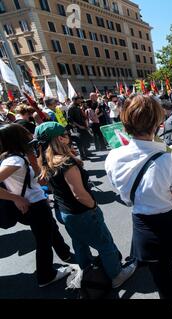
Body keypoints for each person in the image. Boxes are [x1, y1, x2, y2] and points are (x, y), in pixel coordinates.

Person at [105, 95, 172, 299]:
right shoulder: (166, 159)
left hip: (144, 225)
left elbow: (124, 193)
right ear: (158, 124)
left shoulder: (113, 157)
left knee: (163, 282)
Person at [35, 122, 136, 289]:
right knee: (105, 244)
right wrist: (93, 205)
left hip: (65, 211)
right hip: (81, 212)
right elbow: (79, 194)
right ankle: (117, 276)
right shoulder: (65, 162)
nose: (68, 136)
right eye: (65, 134)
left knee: (79, 242)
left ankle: (87, 271)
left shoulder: (46, 160)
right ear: (60, 138)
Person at [0, 124, 72, 288]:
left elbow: (37, 179)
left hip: (36, 203)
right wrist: (15, 198)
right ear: (17, 139)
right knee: (43, 241)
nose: (29, 136)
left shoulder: (15, 156)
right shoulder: (15, 160)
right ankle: (46, 275)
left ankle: (65, 253)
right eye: (24, 134)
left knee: (51, 229)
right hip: (34, 206)